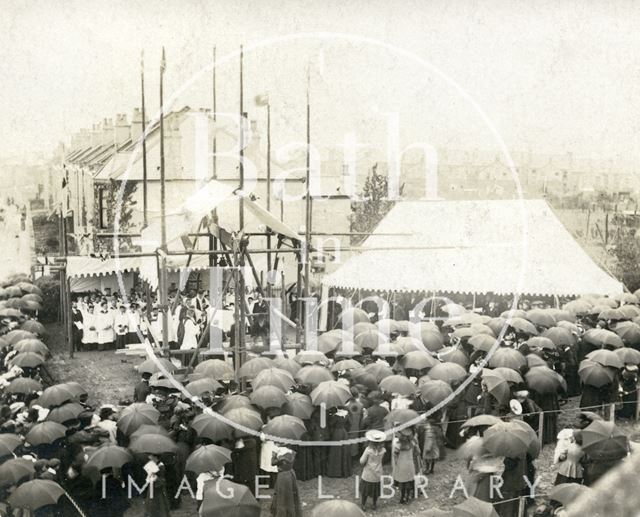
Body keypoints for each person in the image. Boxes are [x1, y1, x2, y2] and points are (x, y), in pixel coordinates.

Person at [359, 430, 386, 511]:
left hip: (368, 473)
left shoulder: (368, 450)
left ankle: (363, 504)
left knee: (365, 491)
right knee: (375, 490)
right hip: (377, 472)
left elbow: (362, 461)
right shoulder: (383, 450)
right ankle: (374, 504)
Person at [392, 427, 420, 505]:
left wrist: (396, 462)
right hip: (410, 465)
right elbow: (418, 453)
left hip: (401, 465)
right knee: (408, 481)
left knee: (402, 482)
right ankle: (407, 497)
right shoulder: (413, 443)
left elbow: (395, 455)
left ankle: (402, 497)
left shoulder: (398, 445)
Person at [271, 448, 302, 517]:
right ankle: (292, 511)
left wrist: (274, 454)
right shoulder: (292, 452)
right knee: (290, 494)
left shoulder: (281, 456)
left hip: (283, 476)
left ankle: (284, 513)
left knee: (282, 495)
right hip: (290, 474)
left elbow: (272, 463)